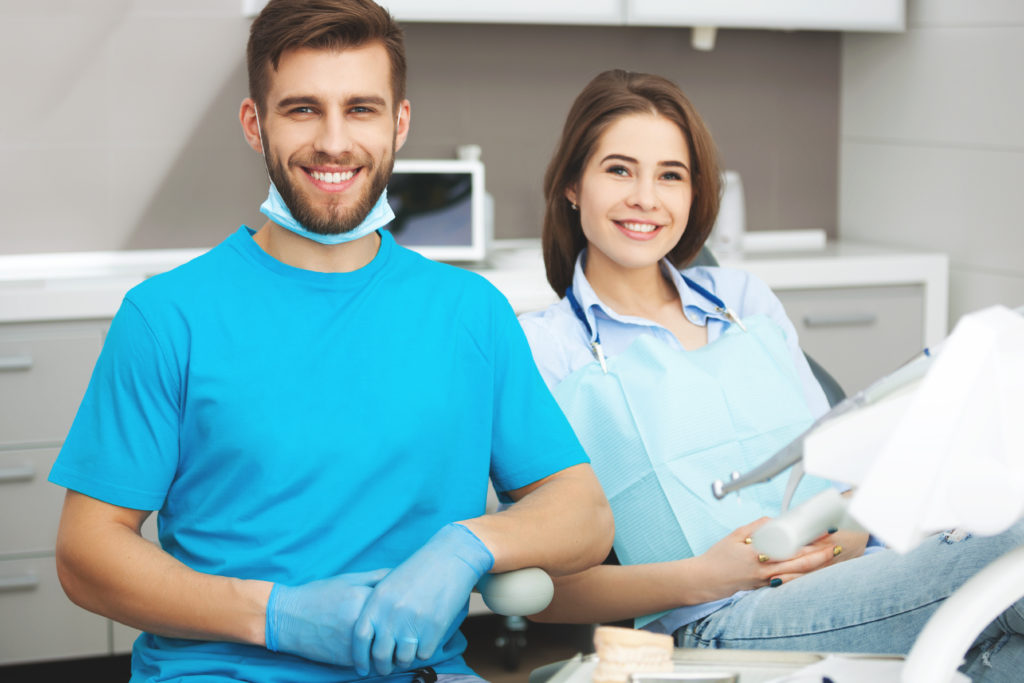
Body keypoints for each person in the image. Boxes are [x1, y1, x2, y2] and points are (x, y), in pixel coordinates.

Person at [47, 2, 614, 682]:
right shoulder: (169, 315)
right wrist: (271, 613)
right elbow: (85, 553)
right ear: (255, 125)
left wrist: (467, 545)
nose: (335, 142)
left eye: (362, 109)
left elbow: (583, 512)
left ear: (399, 122)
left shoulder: (470, 313)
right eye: (303, 109)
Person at [518, 69, 1024, 681]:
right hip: (720, 622)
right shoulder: (545, 349)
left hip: (859, 570)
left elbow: (839, 473)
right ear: (573, 185)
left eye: (670, 175)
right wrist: (703, 576)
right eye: (619, 170)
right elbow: (543, 591)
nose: (646, 198)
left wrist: (851, 532)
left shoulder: (743, 299)